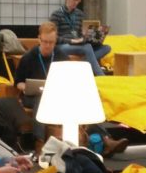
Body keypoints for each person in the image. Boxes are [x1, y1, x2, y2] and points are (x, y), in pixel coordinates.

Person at [14, 22, 128, 157]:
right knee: (41, 98)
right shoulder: (29, 57)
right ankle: (39, 144)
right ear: (39, 39)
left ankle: (106, 140)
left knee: (78, 102)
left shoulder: (59, 54)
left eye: (51, 42)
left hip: (57, 95)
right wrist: (26, 87)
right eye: (45, 42)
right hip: (33, 96)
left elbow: (69, 76)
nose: (48, 46)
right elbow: (18, 83)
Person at [48, 0, 111, 76]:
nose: (76, 3)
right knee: (87, 47)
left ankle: (81, 64)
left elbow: (81, 33)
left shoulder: (80, 14)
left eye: (78, 1)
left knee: (106, 48)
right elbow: (53, 37)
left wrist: (90, 36)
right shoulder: (56, 15)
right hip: (62, 46)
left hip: (78, 44)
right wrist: (71, 41)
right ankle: (102, 76)